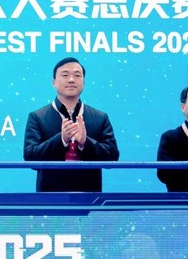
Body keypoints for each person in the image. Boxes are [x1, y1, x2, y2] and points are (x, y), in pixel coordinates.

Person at [23, 57, 120, 192]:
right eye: (65, 75)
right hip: (50, 195)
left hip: (90, 195)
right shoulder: (38, 117)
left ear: (83, 82)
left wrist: (85, 142)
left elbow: (112, 157)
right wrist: (61, 139)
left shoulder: (100, 117)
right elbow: (30, 158)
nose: (71, 80)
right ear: (53, 82)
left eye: (77, 75)